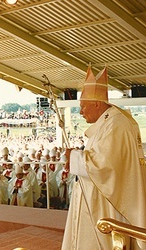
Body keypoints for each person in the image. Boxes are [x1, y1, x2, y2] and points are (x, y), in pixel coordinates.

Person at [62, 65, 146, 250]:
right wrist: (78, 156)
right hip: (98, 198)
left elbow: (104, 166)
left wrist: (74, 156)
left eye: (83, 107)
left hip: (107, 203)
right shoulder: (110, 122)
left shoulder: (116, 125)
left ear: (97, 104)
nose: (81, 112)